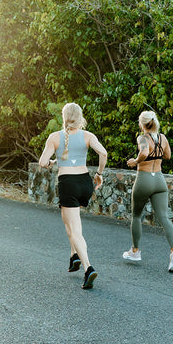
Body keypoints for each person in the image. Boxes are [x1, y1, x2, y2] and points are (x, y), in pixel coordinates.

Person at [39, 103, 107, 289]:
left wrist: (52, 162)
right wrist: (99, 174)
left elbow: (42, 162)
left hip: (68, 183)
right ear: (80, 117)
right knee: (71, 223)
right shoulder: (88, 136)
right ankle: (73, 256)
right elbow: (103, 152)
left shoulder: (55, 138)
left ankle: (88, 268)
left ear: (64, 117)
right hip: (85, 183)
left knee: (73, 229)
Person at [125, 111, 173, 272]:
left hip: (144, 179)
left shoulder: (142, 138)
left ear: (142, 124)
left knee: (136, 215)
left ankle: (135, 251)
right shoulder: (162, 138)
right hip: (159, 180)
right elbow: (168, 155)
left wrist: (135, 161)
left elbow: (143, 152)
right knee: (164, 217)